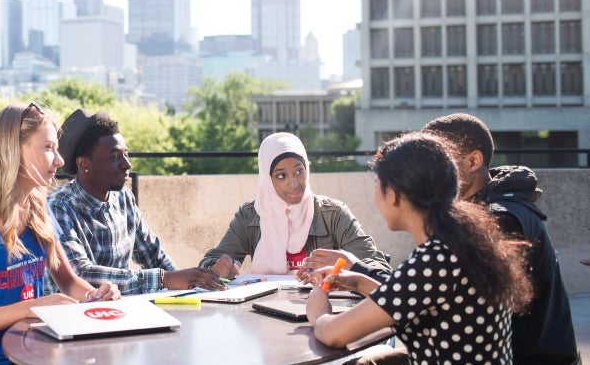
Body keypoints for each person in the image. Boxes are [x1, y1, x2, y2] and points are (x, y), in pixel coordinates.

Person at [304, 131, 533, 364]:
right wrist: (358, 281)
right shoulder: (467, 242)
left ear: (392, 194)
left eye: (377, 186)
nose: (375, 197)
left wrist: (318, 313)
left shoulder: (435, 261)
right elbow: (409, 298)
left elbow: (333, 335)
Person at [0, 102, 120, 365]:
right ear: (13, 151)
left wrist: (97, 296)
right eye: (48, 148)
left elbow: (69, 282)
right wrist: (33, 308)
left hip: (35, 350)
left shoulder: (40, 208)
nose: (59, 161)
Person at [423, 113, 581, 364]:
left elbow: (444, 300)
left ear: (473, 160)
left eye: (438, 161)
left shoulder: (503, 219)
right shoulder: (485, 207)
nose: (428, 173)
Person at [48, 109, 224, 294]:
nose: (127, 164)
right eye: (114, 156)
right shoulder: (59, 207)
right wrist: (165, 279)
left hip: (119, 312)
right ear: (84, 164)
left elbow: (154, 257)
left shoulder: (123, 197)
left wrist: (191, 288)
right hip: (74, 316)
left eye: (126, 154)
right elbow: (80, 275)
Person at [199, 132, 391, 279]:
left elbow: (379, 269)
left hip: (320, 311)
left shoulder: (333, 214)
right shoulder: (250, 215)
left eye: (299, 171)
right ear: (267, 179)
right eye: (281, 175)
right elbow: (206, 267)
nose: (294, 183)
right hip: (264, 314)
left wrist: (345, 267)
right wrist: (217, 268)